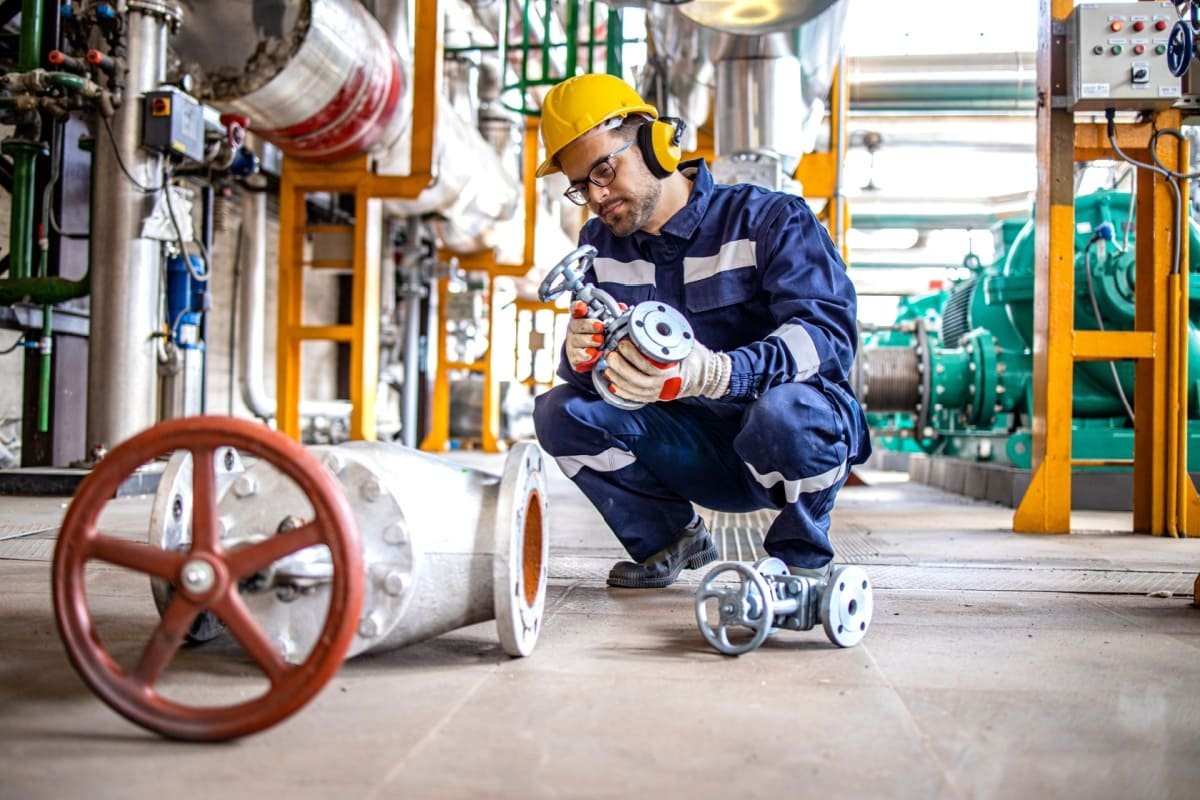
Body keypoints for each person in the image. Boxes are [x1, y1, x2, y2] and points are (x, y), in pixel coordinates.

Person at [531, 73, 871, 589]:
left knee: (787, 413)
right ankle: (670, 539)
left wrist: (717, 373)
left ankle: (800, 557)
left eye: (604, 169)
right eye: (582, 186)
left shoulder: (769, 220)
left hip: (782, 442)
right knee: (561, 413)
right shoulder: (602, 244)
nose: (597, 196)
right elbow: (597, 385)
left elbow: (826, 337)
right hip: (692, 448)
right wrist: (580, 358)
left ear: (653, 142)